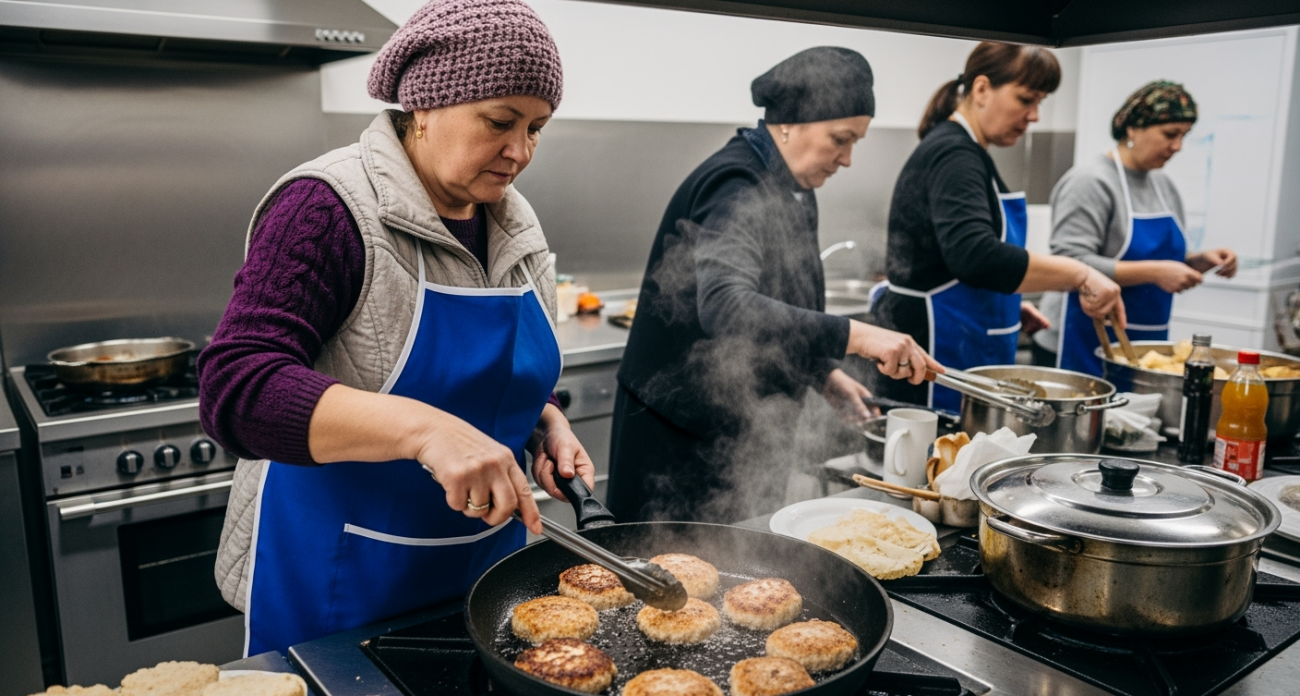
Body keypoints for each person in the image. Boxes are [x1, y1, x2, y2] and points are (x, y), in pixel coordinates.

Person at [198, 0, 594, 656]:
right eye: (500, 122)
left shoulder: (511, 221)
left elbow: (496, 368)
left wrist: (544, 420)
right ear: (425, 106)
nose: (520, 151)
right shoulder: (326, 207)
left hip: (483, 570)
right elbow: (236, 389)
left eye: (537, 128)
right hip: (340, 578)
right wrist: (426, 431)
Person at [607, 47, 943, 524]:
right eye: (841, 139)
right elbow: (727, 306)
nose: (848, 159)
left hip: (739, 432)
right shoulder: (736, 183)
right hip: (678, 438)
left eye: (855, 142)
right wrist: (859, 336)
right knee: (658, 569)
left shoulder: (792, 187)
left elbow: (781, 299)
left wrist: (820, 372)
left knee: (743, 563)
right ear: (790, 123)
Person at [871, 42, 1124, 412]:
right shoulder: (955, 154)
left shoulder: (969, 151)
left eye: (1040, 102)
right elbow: (975, 256)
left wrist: (1004, 303)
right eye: (1026, 99)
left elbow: (947, 258)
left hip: (959, 342)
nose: (1034, 116)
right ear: (982, 89)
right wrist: (1081, 274)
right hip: (934, 359)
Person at [1034, 81, 1237, 374]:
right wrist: (1156, 272)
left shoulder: (1163, 186)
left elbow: (1164, 259)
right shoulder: (1091, 182)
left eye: (1184, 136)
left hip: (1144, 340)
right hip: (1080, 338)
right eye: (1170, 134)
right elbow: (1069, 262)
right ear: (1132, 128)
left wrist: (1198, 261)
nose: (1178, 147)